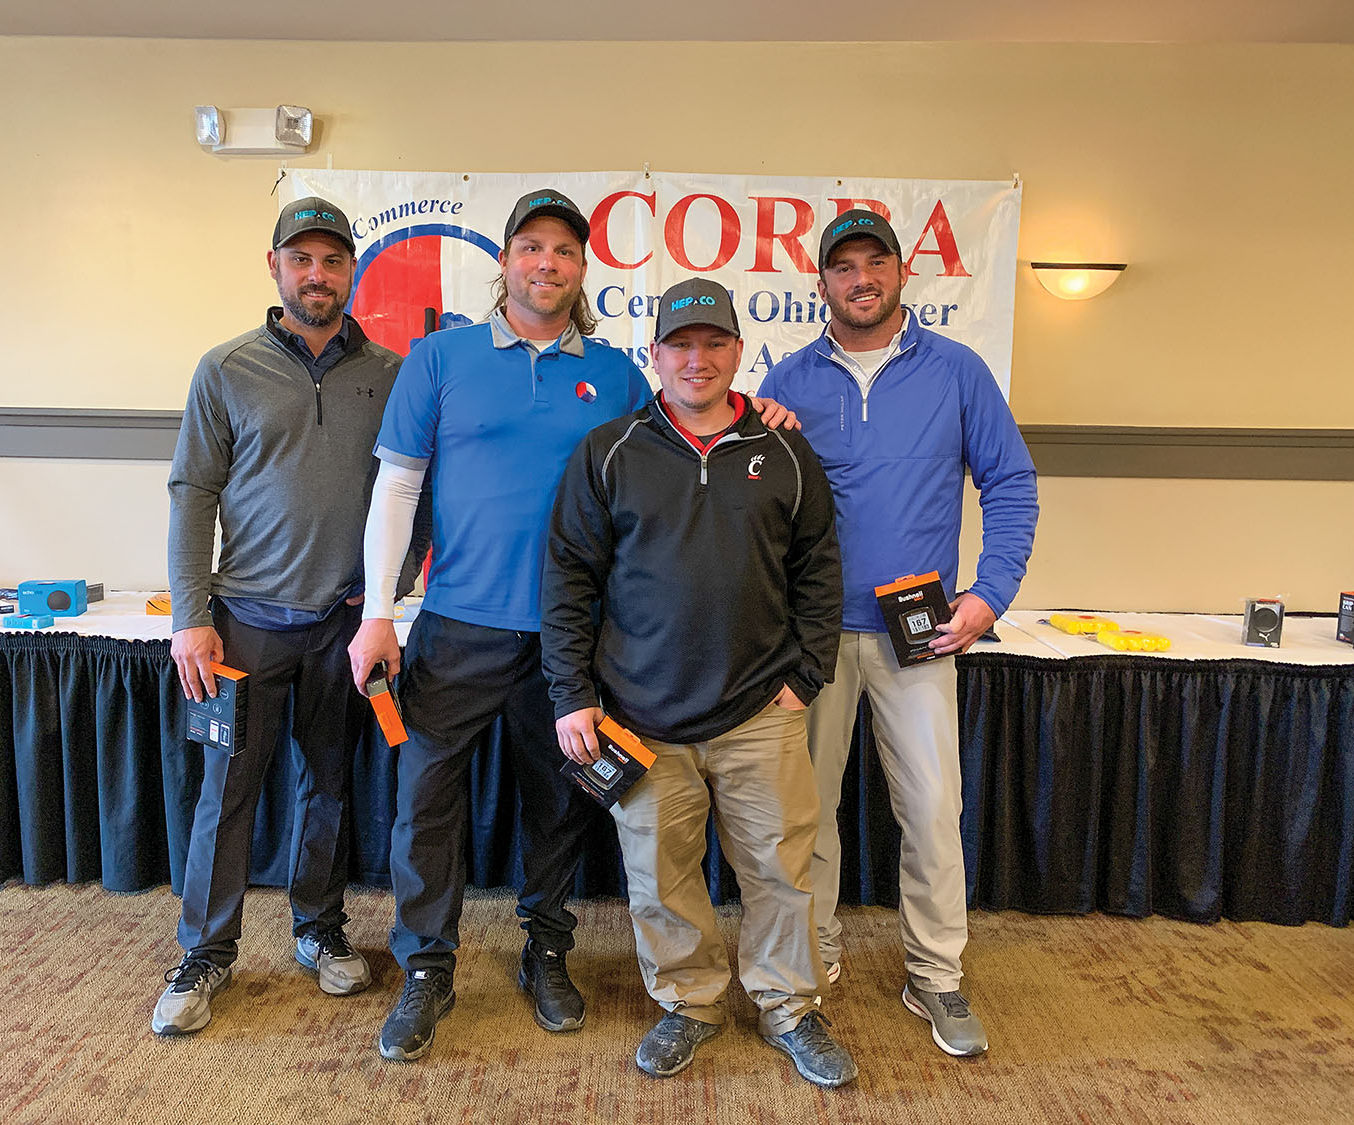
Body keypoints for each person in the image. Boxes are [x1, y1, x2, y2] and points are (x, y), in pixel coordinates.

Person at [348, 190, 797, 1062]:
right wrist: (377, 613)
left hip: (573, 643)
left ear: (582, 268)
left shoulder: (623, 377)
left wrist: (765, 413)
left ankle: (546, 950)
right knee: (425, 804)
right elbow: (396, 489)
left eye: (563, 250)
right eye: (530, 247)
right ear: (505, 262)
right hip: (454, 627)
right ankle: (426, 968)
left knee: (558, 805)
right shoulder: (439, 359)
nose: (546, 263)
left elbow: (695, 435)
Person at [541, 279, 856, 1089]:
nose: (697, 358)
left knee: (783, 871)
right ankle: (690, 1001)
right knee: (660, 878)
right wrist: (573, 692)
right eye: (680, 344)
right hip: (641, 718)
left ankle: (788, 1006)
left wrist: (805, 676)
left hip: (760, 711)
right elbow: (569, 578)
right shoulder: (610, 449)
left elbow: (820, 567)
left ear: (738, 354)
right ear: (655, 356)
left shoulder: (783, 450)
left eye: (714, 343)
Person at [757, 209, 1039, 1058]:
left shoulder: (957, 372)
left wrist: (988, 596)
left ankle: (937, 975)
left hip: (919, 632)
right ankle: (815, 957)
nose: (861, 278)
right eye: (843, 266)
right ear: (822, 284)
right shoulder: (790, 379)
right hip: (810, 635)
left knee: (932, 805)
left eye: (875, 261)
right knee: (807, 812)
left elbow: (1012, 484)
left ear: (903, 273)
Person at [153, 196, 424, 1036]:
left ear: (351, 271)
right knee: (226, 792)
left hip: (341, 628)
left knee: (328, 785)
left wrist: (394, 586)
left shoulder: (388, 371)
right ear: (273, 266)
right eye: (300, 258)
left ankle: (318, 928)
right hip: (241, 627)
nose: (317, 274)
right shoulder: (225, 368)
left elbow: (416, 489)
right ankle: (206, 952)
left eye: (332, 260)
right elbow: (192, 493)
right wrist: (191, 614)